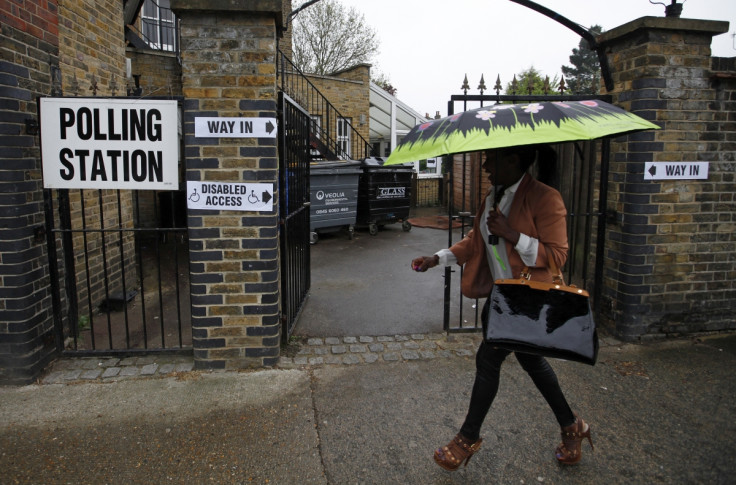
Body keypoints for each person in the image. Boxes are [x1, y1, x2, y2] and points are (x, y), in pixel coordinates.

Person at [411, 144, 593, 471]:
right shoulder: (493, 197)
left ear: (513, 160)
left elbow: (557, 255)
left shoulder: (545, 197)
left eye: (491, 159)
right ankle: (572, 426)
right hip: (501, 298)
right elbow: (474, 242)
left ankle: (467, 439)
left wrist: (512, 234)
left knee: (488, 358)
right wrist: (438, 258)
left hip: (527, 302)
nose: (484, 165)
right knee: (532, 363)